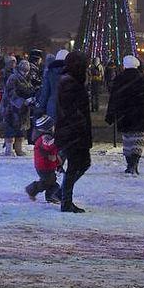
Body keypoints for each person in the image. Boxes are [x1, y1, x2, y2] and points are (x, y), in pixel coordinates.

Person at [106, 55, 144, 175]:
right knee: (138, 141)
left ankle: (129, 164)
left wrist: (110, 115)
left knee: (127, 141)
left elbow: (113, 98)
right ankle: (134, 163)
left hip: (125, 115)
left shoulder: (119, 79)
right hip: (142, 115)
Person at [55, 52, 92, 213]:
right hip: (73, 132)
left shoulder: (73, 81)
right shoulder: (70, 82)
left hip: (75, 131)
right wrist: (79, 124)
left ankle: (62, 194)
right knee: (76, 165)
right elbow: (70, 109)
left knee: (82, 164)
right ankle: (65, 200)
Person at [0, 60, 36, 156]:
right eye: (24, 70)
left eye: (27, 70)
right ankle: (9, 149)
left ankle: (18, 149)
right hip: (11, 108)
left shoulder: (27, 79)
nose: (25, 72)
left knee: (20, 130)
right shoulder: (13, 78)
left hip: (22, 110)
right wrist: (23, 102)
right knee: (10, 129)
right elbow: (10, 93)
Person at [25, 115, 61, 204]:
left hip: (48, 164)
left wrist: (57, 160)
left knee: (51, 181)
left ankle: (52, 196)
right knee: (47, 181)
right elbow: (48, 146)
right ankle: (31, 189)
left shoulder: (47, 137)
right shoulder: (45, 137)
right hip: (43, 165)